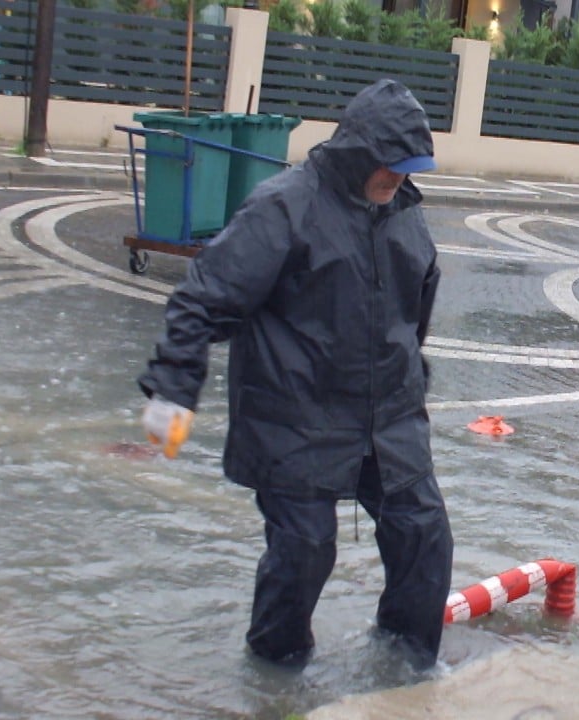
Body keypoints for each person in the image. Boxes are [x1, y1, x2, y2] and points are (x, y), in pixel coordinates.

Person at [137, 79, 453, 670]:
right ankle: (274, 674)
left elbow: (416, 310)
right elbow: (200, 301)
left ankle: (406, 665)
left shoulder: (405, 215)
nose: (399, 181)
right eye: (391, 168)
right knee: (306, 550)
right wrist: (172, 395)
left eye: (409, 171)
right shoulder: (283, 208)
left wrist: (410, 385)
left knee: (425, 538)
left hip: (388, 419)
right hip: (295, 417)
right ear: (359, 154)